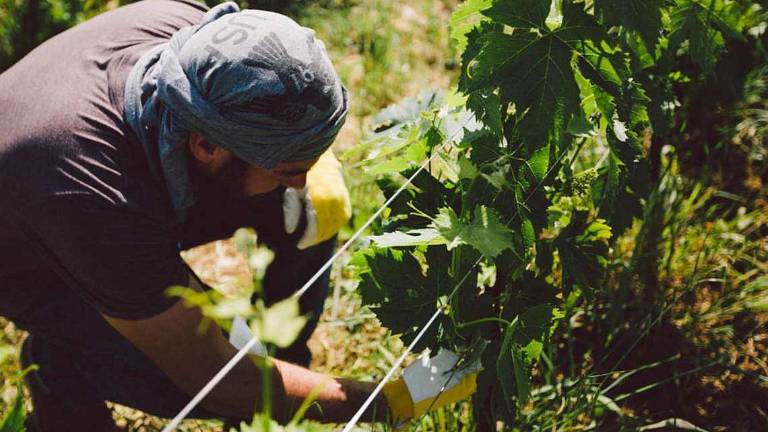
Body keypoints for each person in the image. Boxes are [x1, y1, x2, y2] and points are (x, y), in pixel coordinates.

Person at [0, 1, 477, 431]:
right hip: (25, 258)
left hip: (123, 185)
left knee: (304, 211)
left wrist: (305, 159)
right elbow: (216, 376)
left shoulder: (198, 34)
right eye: (292, 169)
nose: (301, 180)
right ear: (206, 146)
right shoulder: (95, 196)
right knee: (185, 382)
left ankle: (283, 373)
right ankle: (62, 363)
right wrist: (390, 401)